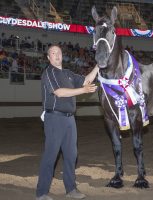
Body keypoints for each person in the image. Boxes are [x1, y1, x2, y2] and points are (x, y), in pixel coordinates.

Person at [36, 45, 99, 200]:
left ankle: (71, 189)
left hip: (70, 119)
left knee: (71, 155)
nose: (57, 55)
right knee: (51, 156)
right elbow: (59, 92)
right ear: (48, 58)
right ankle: (41, 193)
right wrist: (83, 91)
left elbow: (86, 80)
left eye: (59, 53)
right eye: (53, 53)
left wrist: (98, 66)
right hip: (54, 119)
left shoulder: (68, 73)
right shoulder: (49, 73)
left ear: (62, 55)